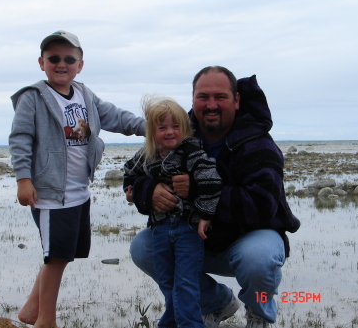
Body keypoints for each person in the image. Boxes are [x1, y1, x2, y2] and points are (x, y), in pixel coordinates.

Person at [128, 66, 301, 328]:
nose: (211, 105)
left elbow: (263, 206)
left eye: (220, 97)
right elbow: (140, 169)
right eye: (203, 97)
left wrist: (197, 190)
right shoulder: (178, 137)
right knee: (143, 247)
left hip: (248, 240)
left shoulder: (259, 143)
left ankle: (259, 311)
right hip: (195, 240)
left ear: (236, 100)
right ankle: (215, 303)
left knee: (258, 258)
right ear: (193, 100)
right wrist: (148, 192)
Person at [8, 30, 145, 328]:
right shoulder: (33, 98)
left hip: (79, 192)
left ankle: (32, 310)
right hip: (49, 193)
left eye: (69, 59)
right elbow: (20, 139)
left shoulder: (85, 94)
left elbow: (117, 118)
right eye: (53, 58)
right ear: (41, 62)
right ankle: (47, 321)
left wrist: (155, 127)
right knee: (55, 257)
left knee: (62, 254)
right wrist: (23, 179)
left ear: (80, 65)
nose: (61, 64)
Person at [124, 95, 222, 328]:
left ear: (185, 129)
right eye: (162, 127)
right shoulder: (147, 155)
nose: (169, 132)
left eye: (175, 127)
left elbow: (212, 181)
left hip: (188, 228)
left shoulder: (192, 152)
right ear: (151, 131)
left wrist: (205, 215)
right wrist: (135, 191)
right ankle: (170, 323)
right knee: (168, 282)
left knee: (186, 283)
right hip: (159, 229)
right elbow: (129, 174)